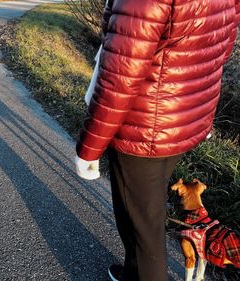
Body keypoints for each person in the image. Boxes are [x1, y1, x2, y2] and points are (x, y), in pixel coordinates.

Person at [72, 0, 240, 280]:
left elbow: (121, 76)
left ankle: (143, 271)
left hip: (143, 126)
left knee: (144, 229)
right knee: (143, 212)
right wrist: (200, 114)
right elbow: (218, 48)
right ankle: (134, 272)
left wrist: (89, 148)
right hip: (181, 118)